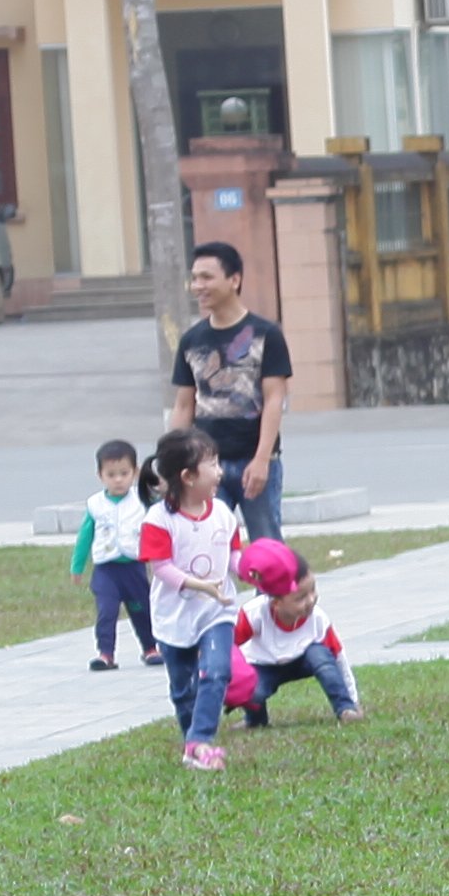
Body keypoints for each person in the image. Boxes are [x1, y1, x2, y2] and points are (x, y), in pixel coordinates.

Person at [134, 430, 247, 771]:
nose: (220, 471)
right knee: (183, 689)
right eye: (211, 463)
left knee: (216, 671)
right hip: (174, 616)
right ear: (188, 476)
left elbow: (233, 556)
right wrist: (200, 585)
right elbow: (162, 568)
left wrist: (255, 571)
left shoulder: (224, 512)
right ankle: (191, 747)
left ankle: (201, 741)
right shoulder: (158, 520)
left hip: (217, 610)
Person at [172, 237, 293, 549]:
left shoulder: (266, 335)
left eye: (207, 277)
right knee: (208, 547)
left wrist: (262, 459)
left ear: (234, 280)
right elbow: (184, 406)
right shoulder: (191, 341)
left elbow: (274, 400)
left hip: (255, 460)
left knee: (267, 549)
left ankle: (271, 600)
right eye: (195, 278)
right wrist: (173, 461)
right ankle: (217, 600)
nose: (198, 285)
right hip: (204, 466)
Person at [232, 540, 356, 730]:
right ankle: (255, 720)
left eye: (312, 590)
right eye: (300, 598)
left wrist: (352, 701)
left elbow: (339, 658)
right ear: (276, 603)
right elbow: (228, 647)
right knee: (253, 690)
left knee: (321, 656)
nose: (311, 600)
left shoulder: (318, 619)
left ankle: (345, 710)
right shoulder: (253, 614)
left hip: (304, 660)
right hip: (264, 666)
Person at [76, 438, 160, 672]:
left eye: (124, 473)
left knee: (142, 608)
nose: (118, 479)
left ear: (135, 472)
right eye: (111, 474)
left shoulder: (143, 501)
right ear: (100, 475)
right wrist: (77, 566)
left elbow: (157, 530)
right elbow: (85, 536)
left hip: (133, 567)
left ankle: (150, 647)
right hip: (106, 569)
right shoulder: (95, 504)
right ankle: (105, 654)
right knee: (107, 611)